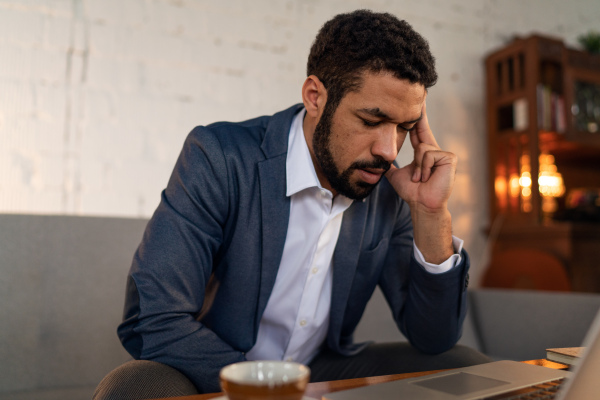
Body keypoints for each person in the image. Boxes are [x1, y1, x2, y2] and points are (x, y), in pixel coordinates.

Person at [114, 9, 489, 396]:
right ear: (315, 97)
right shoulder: (220, 157)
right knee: (131, 388)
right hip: (212, 370)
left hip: (320, 370)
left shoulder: (390, 188)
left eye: (405, 128)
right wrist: (271, 390)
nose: (388, 150)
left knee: (462, 366)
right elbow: (152, 320)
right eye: (371, 120)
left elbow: (435, 338)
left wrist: (430, 213)